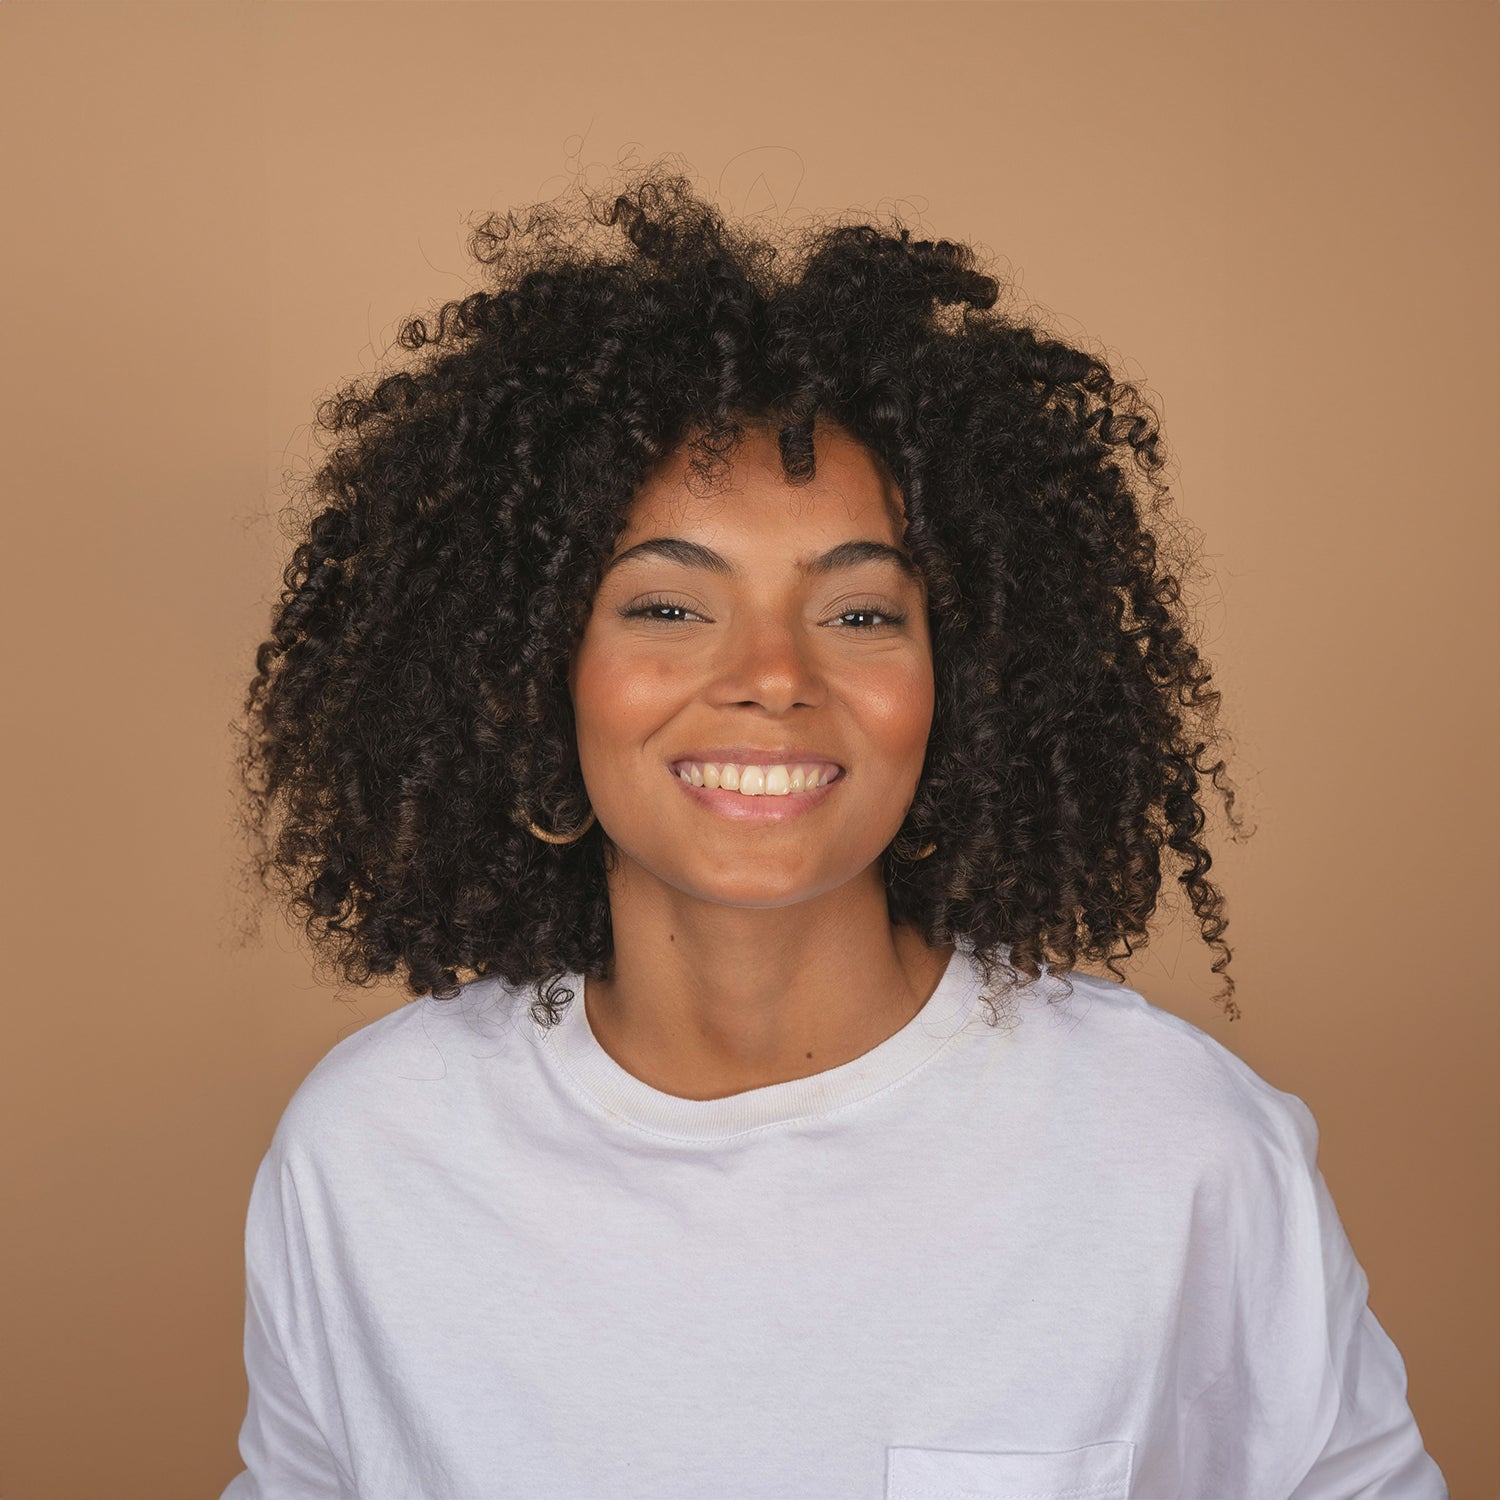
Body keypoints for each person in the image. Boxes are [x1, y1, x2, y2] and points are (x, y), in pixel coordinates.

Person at [221, 163, 1447, 1498]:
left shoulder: (1176, 1149)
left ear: (962, 682)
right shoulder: (373, 1153)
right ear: (534, 674)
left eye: (860, 612)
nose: (772, 675)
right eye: (666, 607)